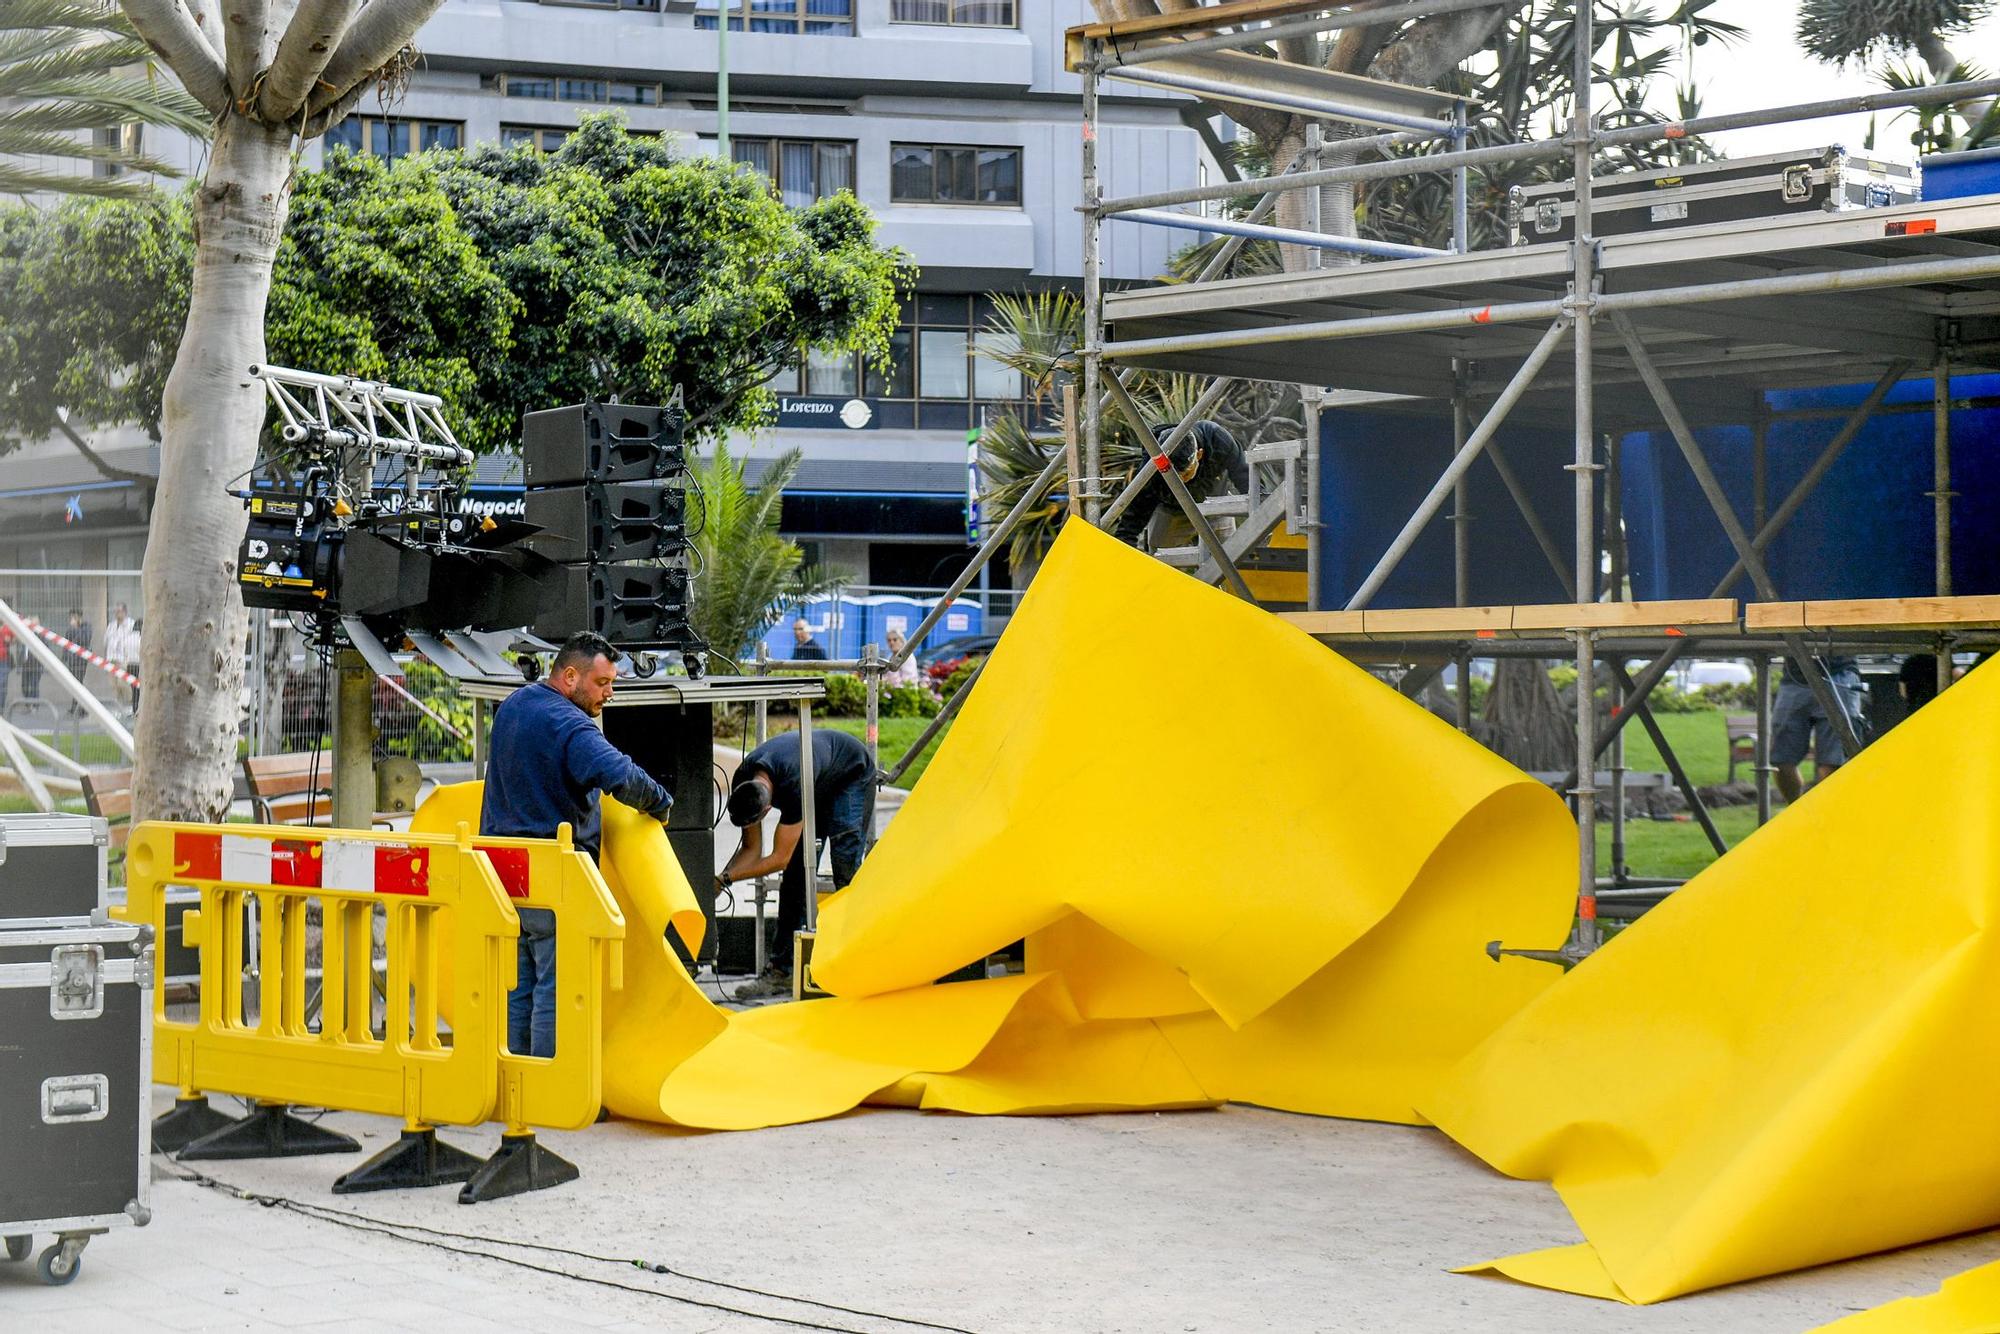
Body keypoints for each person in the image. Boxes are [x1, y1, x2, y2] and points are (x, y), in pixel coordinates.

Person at [481, 631, 674, 1057]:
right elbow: (620, 775)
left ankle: (518, 1085)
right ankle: (554, 1088)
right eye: (602, 684)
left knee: (519, 982)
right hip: (554, 871)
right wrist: (661, 802)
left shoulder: (514, 706)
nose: (609, 694)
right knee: (557, 982)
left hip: (502, 869)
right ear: (570, 676)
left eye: (612, 684)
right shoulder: (570, 724)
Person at [719, 728, 873, 1000]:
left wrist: (726, 879)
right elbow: (752, 851)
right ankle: (782, 971)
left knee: (845, 869)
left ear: (767, 811)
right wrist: (720, 879)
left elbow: (780, 858)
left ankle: (858, 964)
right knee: (796, 878)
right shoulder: (744, 779)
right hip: (816, 775)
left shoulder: (792, 785)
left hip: (849, 772)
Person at [1113, 420, 1249, 546]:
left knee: (1229, 558)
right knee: (1161, 560)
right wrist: (1124, 547)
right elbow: (1138, 507)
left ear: (1199, 454)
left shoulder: (1218, 440)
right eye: (1175, 478)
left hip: (1217, 505)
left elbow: (1244, 476)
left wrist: (1260, 505)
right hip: (1173, 512)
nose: (1182, 482)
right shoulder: (1151, 465)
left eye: (1186, 474)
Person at [1772, 653, 1868, 803]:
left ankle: (1824, 819)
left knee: (1832, 764)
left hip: (1838, 673)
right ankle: (1798, 814)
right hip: (1794, 677)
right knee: (1781, 761)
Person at [104, 603, 138, 714]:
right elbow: (106, 640)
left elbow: (133, 640)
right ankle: (118, 707)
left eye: (119, 611)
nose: (117, 614)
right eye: (116, 611)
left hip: (123, 658)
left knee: (122, 683)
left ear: (125, 612)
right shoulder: (112, 625)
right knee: (113, 685)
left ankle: (129, 704)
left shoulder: (130, 624)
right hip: (111, 658)